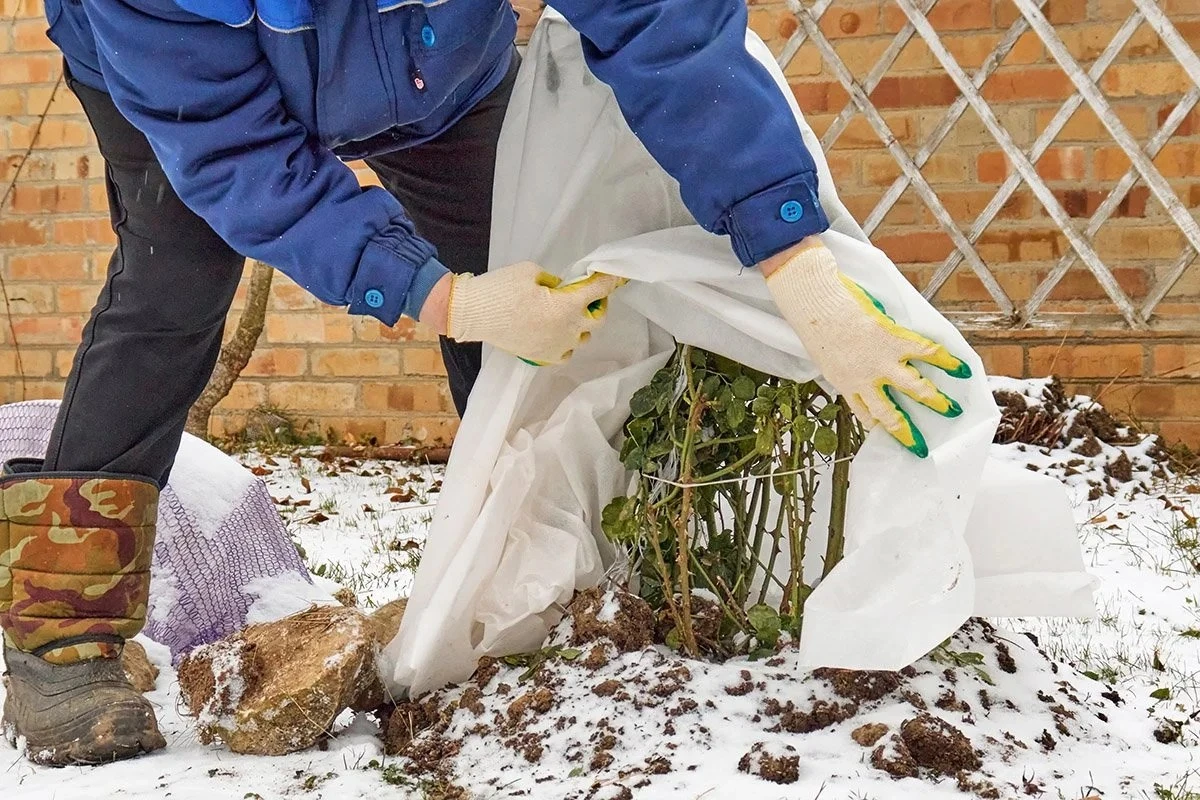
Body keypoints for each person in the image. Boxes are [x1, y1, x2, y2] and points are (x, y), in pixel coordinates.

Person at [0, 0, 971, 766]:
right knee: (172, 280)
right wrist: (445, 299)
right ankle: (60, 637)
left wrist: (796, 260)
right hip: (200, 89)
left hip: (436, 75)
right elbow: (240, 160)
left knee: (513, 253)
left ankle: (524, 573)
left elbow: (666, 28)